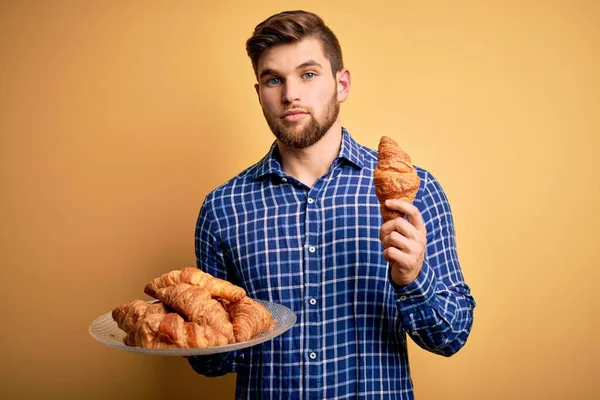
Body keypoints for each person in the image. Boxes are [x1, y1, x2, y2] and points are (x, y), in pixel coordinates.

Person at [187, 9, 476, 400]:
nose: (291, 94)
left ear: (341, 84)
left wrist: (413, 279)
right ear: (259, 93)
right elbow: (213, 364)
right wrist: (193, 321)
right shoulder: (223, 209)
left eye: (308, 74)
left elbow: (451, 336)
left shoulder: (412, 192)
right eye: (274, 79)